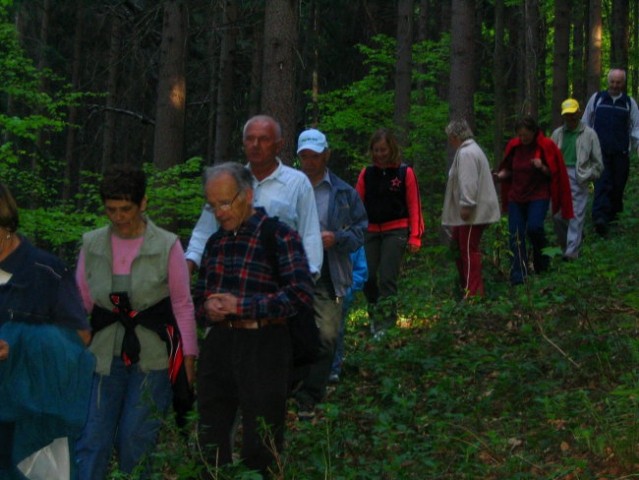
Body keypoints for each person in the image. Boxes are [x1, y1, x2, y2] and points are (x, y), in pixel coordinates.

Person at [74, 165, 198, 480]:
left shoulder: (167, 245)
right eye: (111, 209)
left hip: (154, 355)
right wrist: (75, 334)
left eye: (125, 208)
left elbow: (182, 304)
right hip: (102, 354)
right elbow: (81, 299)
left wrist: (187, 357)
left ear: (142, 203)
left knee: (135, 439)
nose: (118, 216)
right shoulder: (92, 244)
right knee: (92, 437)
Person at [194, 162, 314, 477]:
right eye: (212, 205)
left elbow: (300, 295)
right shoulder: (215, 243)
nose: (218, 212)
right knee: (210, 433)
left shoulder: (279, 236)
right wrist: (208, 309)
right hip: (219, 344)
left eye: (224, 202)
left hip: (265, 345)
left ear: (247, 195)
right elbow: (195, 298)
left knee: (260, 440)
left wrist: (244, 306)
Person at [0, 182, 94, 480]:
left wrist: (17, 343)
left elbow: (81, 338)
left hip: (34, 418)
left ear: (5, 223)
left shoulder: (46, 271)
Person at [185, 115, 322, 278]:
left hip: (279, 280)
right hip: (232, 279)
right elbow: (203, 232)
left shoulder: (297, 183)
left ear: (278, 146)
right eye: (250, 139)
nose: (256, 145)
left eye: (264, 139)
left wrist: (306, 279)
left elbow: (310, 235)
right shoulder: (229, 183)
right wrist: (187, 268)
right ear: (244, 144)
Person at [294, 128, 367, 419]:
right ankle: (291, 385)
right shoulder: (289, 188)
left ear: (327, 154)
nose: (310, 162)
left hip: (329, 268)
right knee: (294, 331)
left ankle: (309, 397)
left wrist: (336, 238)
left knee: (327, 335)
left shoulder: (344, 193)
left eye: (315, 155)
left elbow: (361, 230)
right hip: (293, 267)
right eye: (304, 156)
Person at [355, 128, 424, 335]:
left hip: (396, 230)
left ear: (391, 149)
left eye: (383, 150)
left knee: (387, 277)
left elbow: (414, 205)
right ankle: (375, 314)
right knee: (366, 276)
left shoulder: (405, 173)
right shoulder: (366, 173)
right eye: (376, 150)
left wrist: (415, 237)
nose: (380, 154)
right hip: (370, 230)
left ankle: (387, 325)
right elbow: (356, 204)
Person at [495, 115, 574, 285]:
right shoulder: (514, 146)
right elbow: (509, 169)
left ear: (533, 132)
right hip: (517, 196)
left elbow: (554, 173)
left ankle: (542, 263)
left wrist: (542, 166)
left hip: (538, 195)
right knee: (515, 235)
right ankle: (518, 275)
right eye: (520, 135)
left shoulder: (545, 146)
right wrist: (500, 175)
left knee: (535, 228)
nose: (523, 139)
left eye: (526, 135)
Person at [442, 119, 500, 298]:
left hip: (472, 214)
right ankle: (466, 288)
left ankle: (474, 293)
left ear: (454, 136)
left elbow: (468, 182)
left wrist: (466, 206)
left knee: (469, 250)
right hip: (469, 214)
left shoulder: (467, 153)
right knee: (459, 248)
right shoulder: (471, 150)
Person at [582, 68, 639, 236]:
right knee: (602, 184)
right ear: (608, 82)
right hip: (599, 152)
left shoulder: (629, 103)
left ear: (623, 83)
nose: (615, 85)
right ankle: (600, 219)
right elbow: (586, 122)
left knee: (617, 186)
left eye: (618, 82)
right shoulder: (597, 99)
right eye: (612, 82)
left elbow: (636, 127)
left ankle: (613, 220)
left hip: (621, 152)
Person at [551, 99, 604, 260]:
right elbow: (550, 156)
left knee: (576, 213)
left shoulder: (589, 134)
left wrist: (587, 175)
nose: (570, 118)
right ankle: (568, 245)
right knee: (557, 215)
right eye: (567, 115)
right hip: (559, 176)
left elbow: (598, 163)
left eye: (573, 114)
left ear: (579, 113)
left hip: (579, 176)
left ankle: (571, 253)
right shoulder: (557, 134)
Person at [329, 246, 367, 383]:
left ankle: (333, 369)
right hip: (323, 291)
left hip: (343, 293)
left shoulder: (354, 241)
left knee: (337, 329)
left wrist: (349, 290)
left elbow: (361, 271)